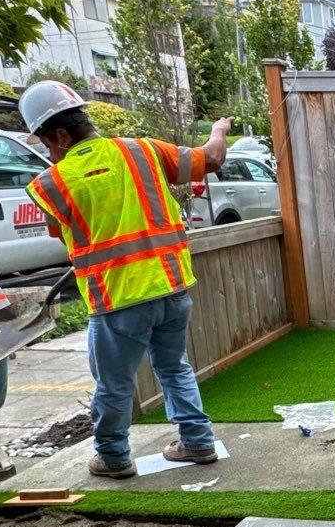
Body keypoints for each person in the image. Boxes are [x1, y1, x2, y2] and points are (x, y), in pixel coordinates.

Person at [18, 79, 232, 479]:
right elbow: (212, 159)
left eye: (47, 143)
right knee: (174, 367)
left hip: (116, 301)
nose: (48, 152)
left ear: (61, 136)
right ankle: (198, 442)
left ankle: (114, 457)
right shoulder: (145, 150)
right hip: (171, 286)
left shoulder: (50, 184)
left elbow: (57, 231)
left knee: (114, 384)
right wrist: (218, 130)